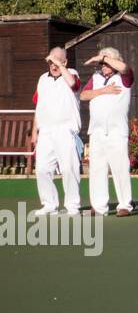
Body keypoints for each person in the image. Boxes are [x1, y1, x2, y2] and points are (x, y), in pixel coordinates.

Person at [80, 48, 135, 217]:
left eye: (107, 61)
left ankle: (125, 205)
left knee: (120, 168)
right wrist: (103, 91)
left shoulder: (124, 77)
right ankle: (99, 207)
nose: (103, 64)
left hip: (116, 131)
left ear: (115, 60)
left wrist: (102, 57)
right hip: (96, 132)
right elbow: (83, 95)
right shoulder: (96, 78)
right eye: (101, 63)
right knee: (97, 169)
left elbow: (124, 68)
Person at [30, 47, 83, 215]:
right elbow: (39, 107)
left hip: (66, 131)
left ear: (65, 62)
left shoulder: (71, 74)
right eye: (51, 61)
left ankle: (73, 206)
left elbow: (73, 84)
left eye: (57, 61)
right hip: (45, 131)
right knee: (42, 169)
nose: (53, 65)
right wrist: (34, 132)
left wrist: (61, 66)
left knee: (69, 169)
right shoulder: (42, 80)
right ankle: (49, 205)